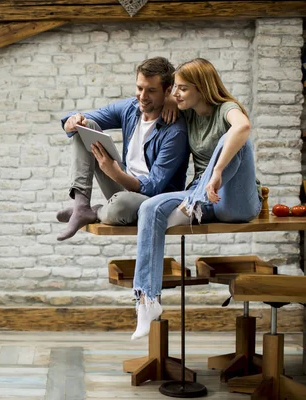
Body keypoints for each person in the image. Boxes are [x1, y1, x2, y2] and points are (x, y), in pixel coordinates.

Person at [131, 58, 261, 340]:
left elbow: (243, 127)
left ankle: (194, 201)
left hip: (236, 198)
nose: (175, 94)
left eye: (182, 89)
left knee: (233, 138)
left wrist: (216, 172)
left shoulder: (226, 109)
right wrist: (168, 100)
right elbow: (158, 97)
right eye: (174, 88)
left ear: (202, 88)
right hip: (205, 197)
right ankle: (147, 301)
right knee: (149, 208)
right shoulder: (185, 111)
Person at [57, 56, 189, 241]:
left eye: (151, 90)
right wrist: (71, 122)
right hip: (122, 188)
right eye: (139, 88)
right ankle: (81, 205)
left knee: (121, 206)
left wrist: (115, 173)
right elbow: (83, 117)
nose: (142, 96)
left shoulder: (175, 132)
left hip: (151, 200)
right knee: (85, 126)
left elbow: (153, 187)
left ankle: (95, 211)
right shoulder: (130, 108)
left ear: (168, 91)